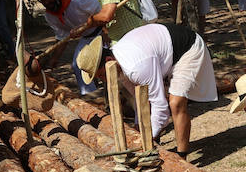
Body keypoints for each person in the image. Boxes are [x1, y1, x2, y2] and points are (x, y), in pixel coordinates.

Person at [78, 22, 218, 158]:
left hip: (187, 47)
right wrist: (138, 129)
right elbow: (142, 101)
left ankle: (181, 156)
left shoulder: (136, 68)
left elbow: (160, 108)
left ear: (109, 60)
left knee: (176, 103)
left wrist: (146, 140)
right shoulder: (118, 64)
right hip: (165, 50)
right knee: (154, 112)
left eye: (102, 75)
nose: (104, 80)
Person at [30, 0, 102, 94]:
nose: (47, 2)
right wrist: (53, 60)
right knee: (78, 65)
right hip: (87, 38)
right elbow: (62, 38)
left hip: (103, 31)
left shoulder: (78, 1)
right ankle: (90, 94)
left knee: (104, 61)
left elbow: (102, 13)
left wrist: (104, 34)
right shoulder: (50, 15)